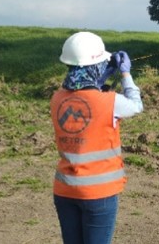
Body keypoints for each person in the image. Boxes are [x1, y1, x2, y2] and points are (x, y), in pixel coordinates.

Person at [50, 31, 144, 244]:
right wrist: (125, 74)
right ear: (97, 66)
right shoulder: (110, 102)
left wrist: (102, 78)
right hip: (99, 193)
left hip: (65, 190)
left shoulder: (57, 99)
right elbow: (136, 105)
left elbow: (83, 91)